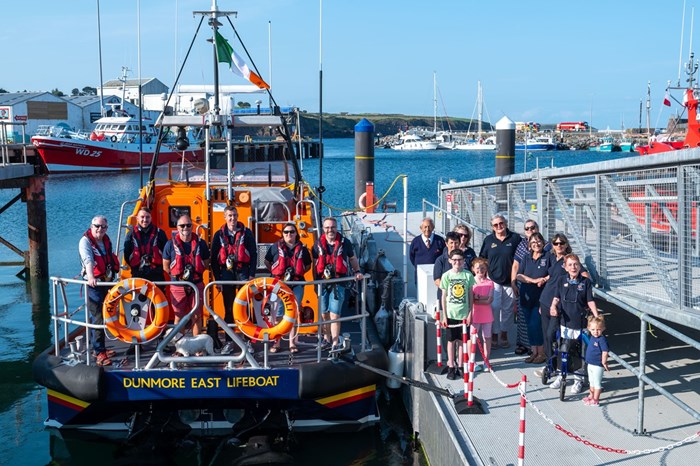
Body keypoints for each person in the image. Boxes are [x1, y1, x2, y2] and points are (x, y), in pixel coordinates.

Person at [548, 253, 599, 394]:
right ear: (565, 267)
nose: (573, 267)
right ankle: (560, 375)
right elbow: (556, 297)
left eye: (576, 264)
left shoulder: (585, 282)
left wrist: (597, 317)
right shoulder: (561, 280)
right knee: (562, 350)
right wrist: (553, 307)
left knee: (579, 353)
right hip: (565, 322)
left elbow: (590, 301)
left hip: (581, 323)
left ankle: (578, 380)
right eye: (570, 265)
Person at [210, 206, 257, 354]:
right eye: (229, 215)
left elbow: (254, 255)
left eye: (235, 215)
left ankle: (247, 341)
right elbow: (213, 260)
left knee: (245, 309)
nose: (232, 218)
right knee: (228, 309)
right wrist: (217, 279)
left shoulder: (247, 233)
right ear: (225, 217)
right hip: (226, 273)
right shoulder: (218, 235)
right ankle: (229, 342)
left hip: (243, 273)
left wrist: (251, 275)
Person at [313, 217, 364, 349]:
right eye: (327, 227)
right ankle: (326, 338)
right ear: (323, 229)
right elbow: (314, 262)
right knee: (324, 313)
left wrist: (357, 271)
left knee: (335, 314)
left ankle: (335, 343)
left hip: (339, 283)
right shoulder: (318, 243)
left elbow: (352, 258)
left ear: (336, 228)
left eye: (333, 227)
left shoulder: (344, 242)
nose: (330, 230)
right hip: (322, 283)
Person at [264, 222, 312, 353]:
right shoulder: (275, 247)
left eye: (291, 232)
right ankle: (276, 342)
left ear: (296, 233)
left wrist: (297, 274)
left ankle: (292, 343)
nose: (289, 234)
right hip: (279, 284)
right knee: (276, 313)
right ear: (282, 234)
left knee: (293, 313)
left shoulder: (302, 249)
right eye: (286, 232)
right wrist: (277, 273)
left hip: (296, 285)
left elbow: (308, 265)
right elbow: (267, 261)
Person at [79, 216, 119, 366]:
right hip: (94, 285)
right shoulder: (85, 242)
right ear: (91, 226)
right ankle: (99, 352)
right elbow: (88, 259)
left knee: (107, 313)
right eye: (97, 226)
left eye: (103, 227)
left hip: (107, 282)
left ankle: (100, 347)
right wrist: (90, 277)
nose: (100, 229)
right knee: (97, 317)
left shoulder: (106, 240)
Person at [162, 214, 210, 336]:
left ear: (192, 226)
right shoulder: (169, 245)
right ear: (177, 227)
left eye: (188, 225)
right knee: (179, 317)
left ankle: (197, 348)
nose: (185, 228)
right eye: (182, 225)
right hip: (178, 286)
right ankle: (179, 347)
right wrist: (177, 277)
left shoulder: (201, 243)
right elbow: (166, 266)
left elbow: (205, 262)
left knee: (197, 316)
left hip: (197, 284)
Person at [479, 214, 521, 349]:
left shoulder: (515, 238)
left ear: (506, 223)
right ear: (492, 227)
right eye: (496, 225)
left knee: (508, 309)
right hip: (493, 279)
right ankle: (495, 333)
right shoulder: (488, 240)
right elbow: (483, 258)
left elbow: (521, 257)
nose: (499, 227)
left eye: (501, 223)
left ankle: (504, 333)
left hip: (510, 279)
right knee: (495, 307)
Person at [535, 233, 573, 378]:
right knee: (546, 335)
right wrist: (544, 279)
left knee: (553, 335)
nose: (558, 246)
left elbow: (581, 273)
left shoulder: (568, 260)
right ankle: (550, 366)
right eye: (556, 243)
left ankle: (560, 365)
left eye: (561, 243)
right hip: (545, 300)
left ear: (566, 244)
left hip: (557, 304)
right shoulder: (552, 258)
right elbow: (553, 275)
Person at [511, 219, 546, 356]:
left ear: (537, 228)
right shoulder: (521, 246)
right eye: (527, 229)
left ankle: (539, 350)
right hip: (524, 286)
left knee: (537, 320)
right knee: (523, 318)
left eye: (533, 227)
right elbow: (515, 266)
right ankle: (526, 346)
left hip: (540, 289)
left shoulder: (546, 246)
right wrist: (513, 282)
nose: (530, 230)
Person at [439, 249, 475, 380]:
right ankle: (451, 365)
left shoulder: (468, 275)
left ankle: (460, 365)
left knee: (461, 341)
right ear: (450, 261)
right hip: (451, 313)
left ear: (463, 261)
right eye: (454, 260)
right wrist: (445, 315)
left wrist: (470, 313)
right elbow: (444, 296)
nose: (457, 262)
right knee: (451, 341)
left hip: (464, 314)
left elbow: (471, 295)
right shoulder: (446, 276)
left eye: (459, 260)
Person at [123, 207, 168, 283]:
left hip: (157, 274)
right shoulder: (131, 234)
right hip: (138, 274)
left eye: (147, 217)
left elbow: (166, 253)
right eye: (142, 217)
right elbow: (126, 254)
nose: (145, 220)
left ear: (151, 218)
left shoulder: (160, 233)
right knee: (139, 294)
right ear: (137, 218)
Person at [470, 257, 494, 371]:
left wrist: (478, 298)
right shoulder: (471, 281)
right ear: (473, 269)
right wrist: (481, 298)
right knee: (473, 338)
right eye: (478, 268)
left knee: (487, 338)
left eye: (483, 268)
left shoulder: (490, 282)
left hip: (487, 315)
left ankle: (486, 361)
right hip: (475, 314)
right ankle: (472, 361)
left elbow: (490, 300)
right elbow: (471, 300)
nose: (480, 270)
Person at [584, 315, 609, 407]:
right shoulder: (592, 337)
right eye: (593, 329)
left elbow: (605, 352)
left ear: (603, 329)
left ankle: (595, 399)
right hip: (590, 364)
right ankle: (591, 396)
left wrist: (604, 362)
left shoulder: (602, 340)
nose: (595, 332)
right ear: (589, 329)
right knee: (591, 381)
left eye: (598, 329)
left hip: (598, 365)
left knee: (597, 383)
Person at [410, 217, 446, 282]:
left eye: (429, 227)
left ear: (433, 227)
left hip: (437, 275)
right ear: (421, 228)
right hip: (420, 274)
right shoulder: (415, 241)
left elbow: (444, 256)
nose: (427, 229)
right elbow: (412, 257)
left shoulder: (440, 241)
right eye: (425, 227)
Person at [433, 231, 461, 315]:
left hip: (461, 301)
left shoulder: (464, 260)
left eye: (456, 243)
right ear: (446, 243)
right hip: (445, 299)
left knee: (461, 327)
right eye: (451, 243)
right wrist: (452, 291)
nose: (454, 245)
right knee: (445, 326)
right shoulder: (440, 260)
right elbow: (437, 281)